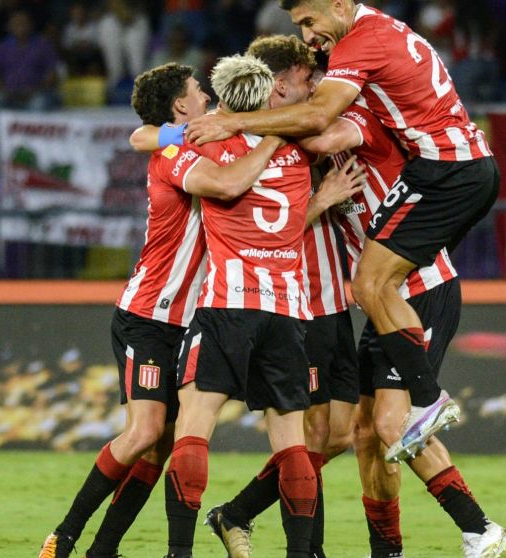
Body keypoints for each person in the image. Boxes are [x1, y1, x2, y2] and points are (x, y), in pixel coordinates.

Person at [186, 1, 506, 554]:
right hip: (385, 295)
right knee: (353, 433)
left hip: (421, 286)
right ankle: (254, 517)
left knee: (388, 423)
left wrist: (241, 126)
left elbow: (321, 135)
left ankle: (478, 527)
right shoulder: (293, 144)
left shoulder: (350, 118)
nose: (314, 63)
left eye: (298, 82)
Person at [36, 62, 289, 558]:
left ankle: (102, 549)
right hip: (150, 316)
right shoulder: (174, 150)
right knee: (146, 432)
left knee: (165, 444)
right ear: (181, 106)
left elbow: (144, 133)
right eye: (199, 91)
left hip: (192, 319)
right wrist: (274, 137)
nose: (208, 96)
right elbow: (218, 182)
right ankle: (64, 535)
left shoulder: (190, 137)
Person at [162, 54, 317, 558]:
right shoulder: (299, 152)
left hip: (228, 304)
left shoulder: (207, 142)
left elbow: (150, 139)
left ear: (224, 99)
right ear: (271, 95)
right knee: (292, 445)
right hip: (289, 312)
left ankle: (178, 553)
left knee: (193, 429)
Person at [0, 10, 60, 110]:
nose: (20, 26)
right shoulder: (1, 47)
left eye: (24, 23)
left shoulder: (44, 46)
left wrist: (34, 91)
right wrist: (4, 91)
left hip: (39, 93)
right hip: (9, 94)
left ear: (31, 25)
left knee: (38, 105)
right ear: (9, 26)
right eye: (16, 23)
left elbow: (52, 76)